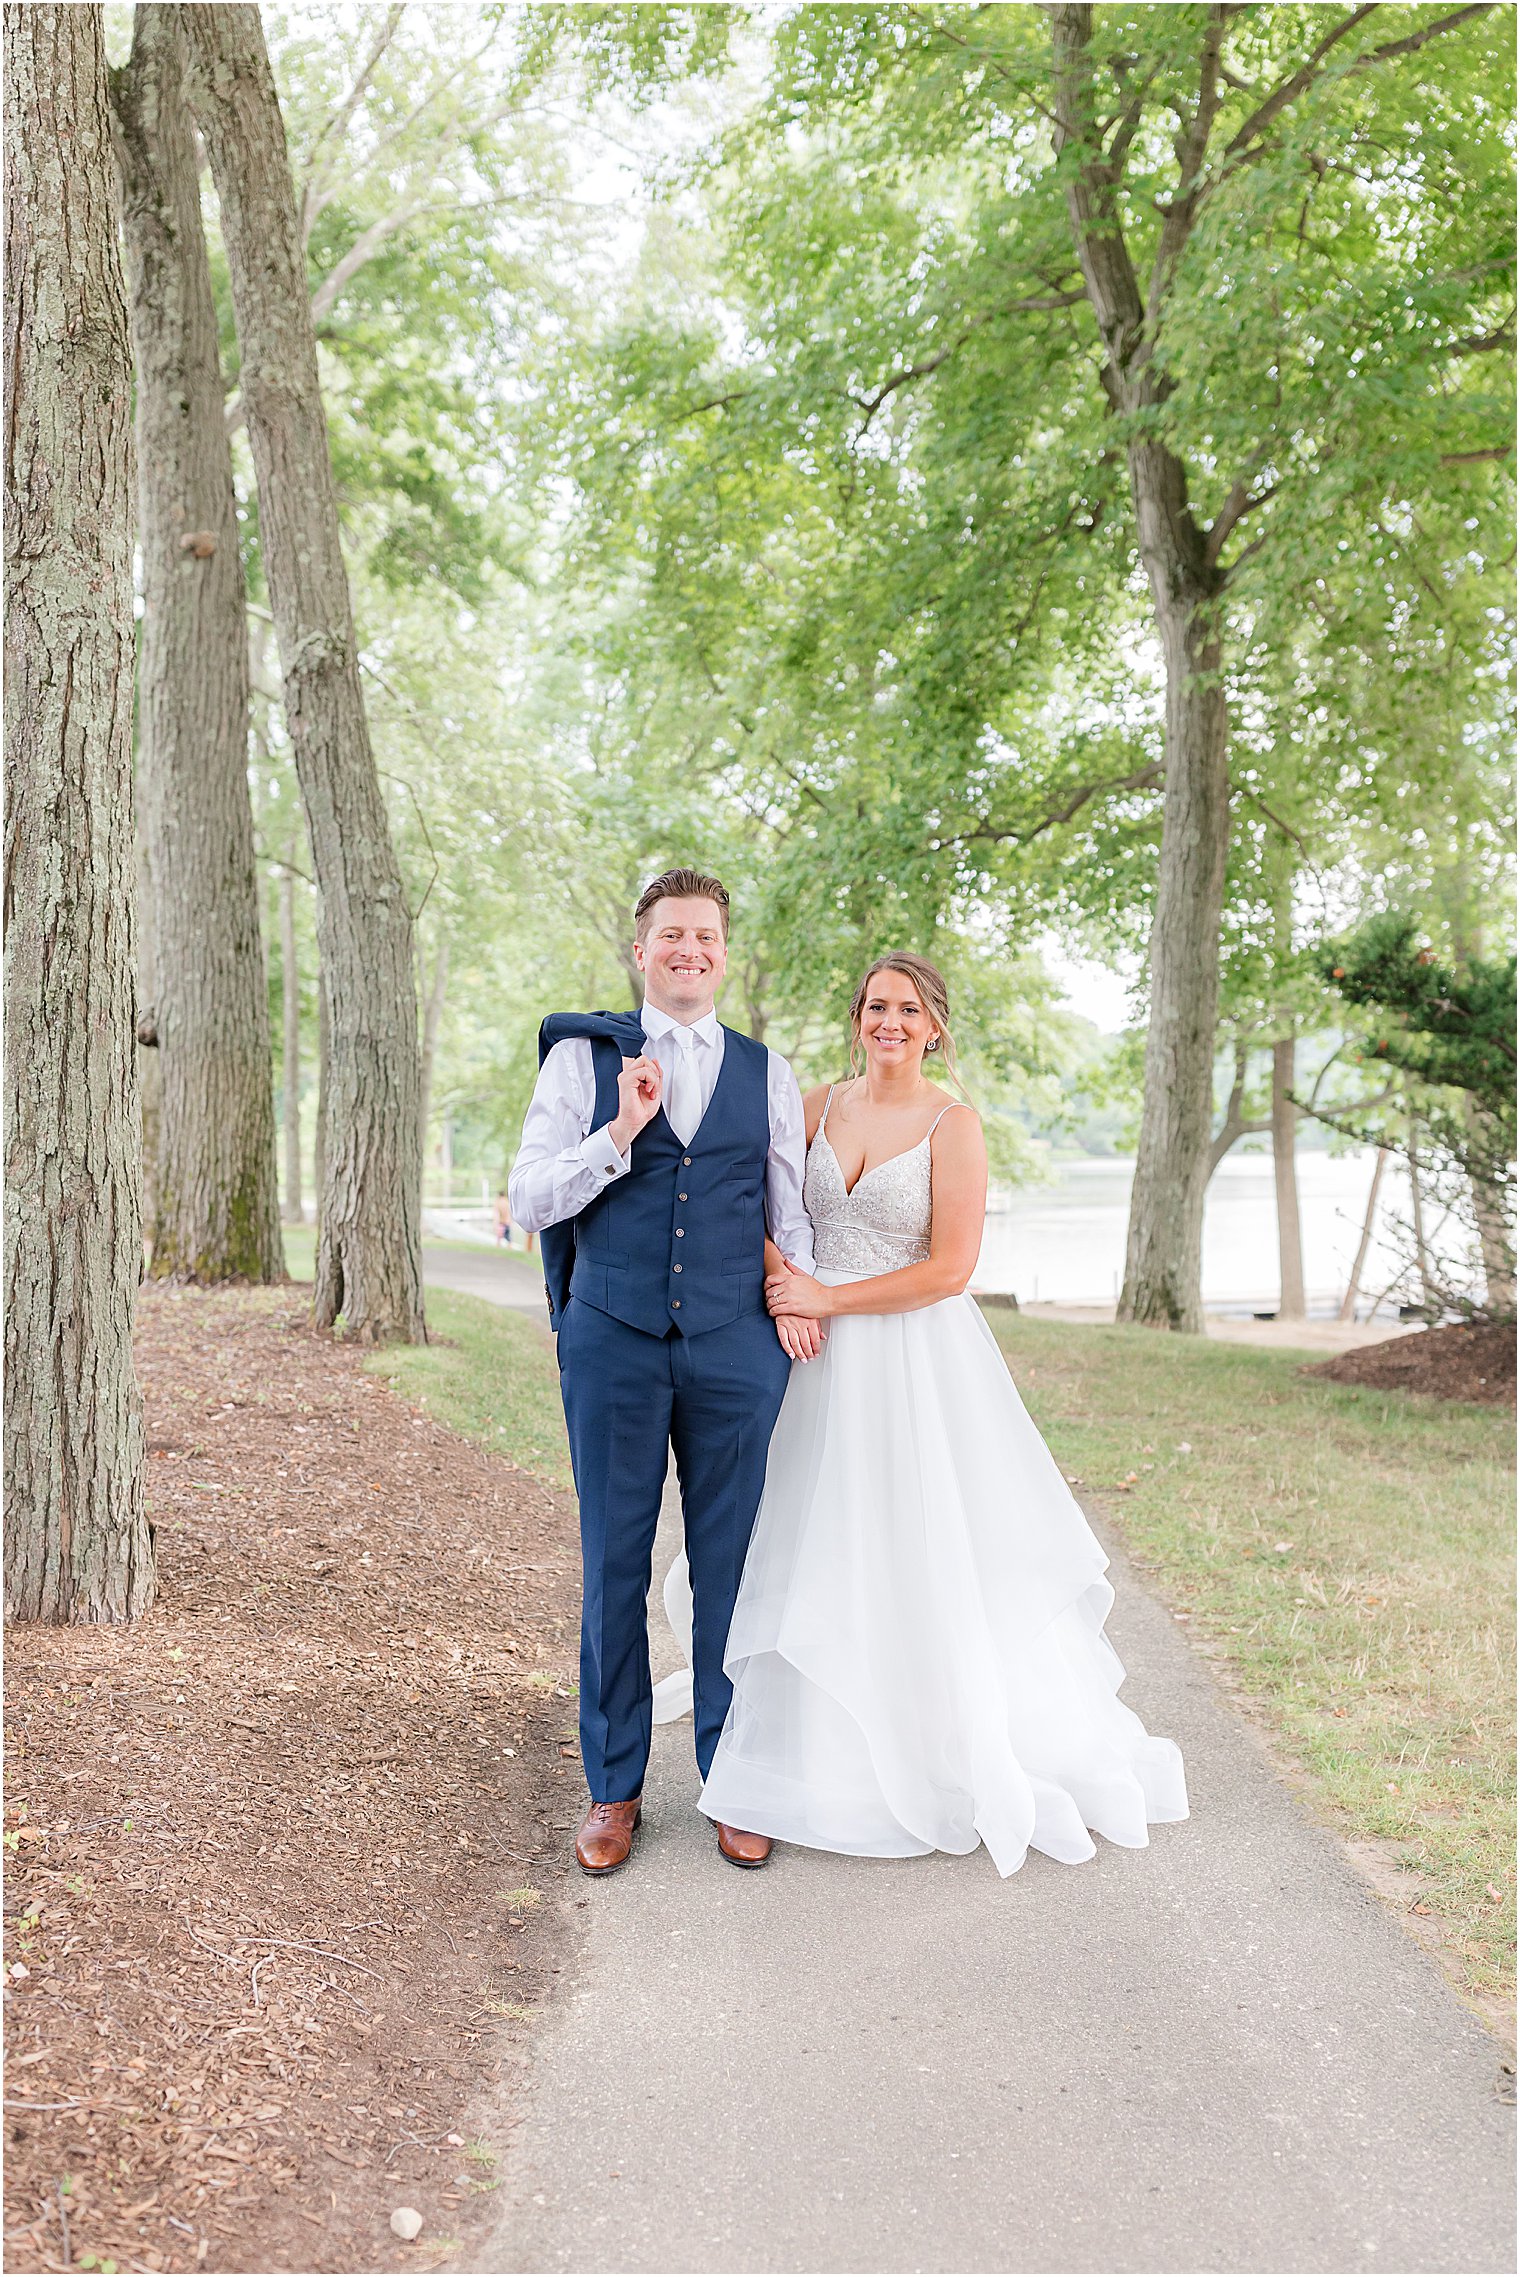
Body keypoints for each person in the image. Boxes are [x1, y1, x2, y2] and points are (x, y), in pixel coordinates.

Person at [683, 951, 1189, 1875]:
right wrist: (784, 1284)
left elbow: (952, 1268)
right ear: (856, 1016)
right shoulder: (814, 1107)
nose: (890, 1022)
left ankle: (922, 1739)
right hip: (806, 1352)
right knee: (803, 1540)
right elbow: (749, 1205)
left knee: (911, 1545)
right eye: (876, 1005)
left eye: (908, 1010)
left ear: (934, 1026)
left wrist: (831, 1302)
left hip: (909, 1357)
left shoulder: (954, 1125)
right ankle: (785, 1756)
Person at [507, 867, 822, 1876]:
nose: (690, 952)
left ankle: (734, 1780)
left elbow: (789, 1212)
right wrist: (618, 1134)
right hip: (613, 1341)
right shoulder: (578, 1061)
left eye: (706, 938)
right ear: (639, 952)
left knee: (732, 1568)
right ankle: (613, 1789)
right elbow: (528, 1199)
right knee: (614, 1564)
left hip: (735, 1350)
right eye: (671, 937)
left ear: (723, 955)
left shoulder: (767, 1072)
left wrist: (797, 1302)